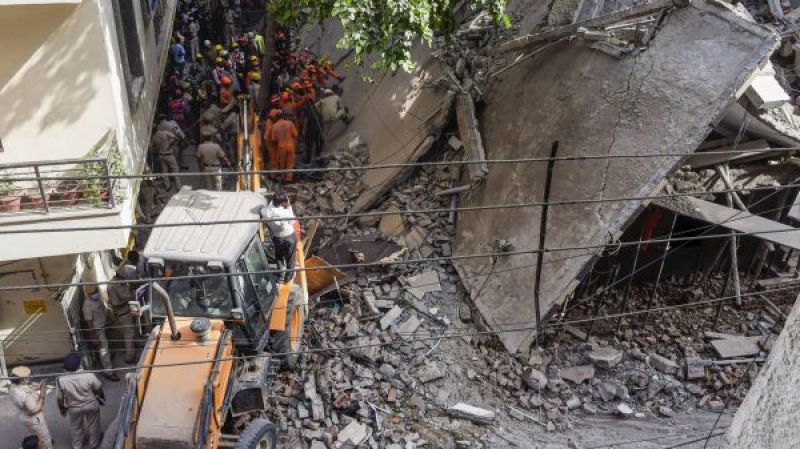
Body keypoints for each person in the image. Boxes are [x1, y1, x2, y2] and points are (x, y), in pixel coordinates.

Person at [57, 353, 104, 449]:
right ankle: (94, 444)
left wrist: (62, 409)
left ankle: (77, 446)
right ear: (79, 365)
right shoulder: (89, 375)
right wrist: (102, 397)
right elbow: (98, 388)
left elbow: (60, 398)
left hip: (74, 408)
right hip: (90, 404)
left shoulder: (60, 380)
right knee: (93, 425)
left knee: (76, 427)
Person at [10, 366, 52, 449]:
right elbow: (35, 410)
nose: (28, 377)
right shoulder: (23, 395)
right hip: (34, 418)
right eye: (26, 376)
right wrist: (42, 395)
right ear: (23, 379)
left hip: (24, 415)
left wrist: (37, 387)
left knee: (38, 434)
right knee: (45, 438)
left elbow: (25, 388)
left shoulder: (13, 387)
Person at [82, 292, 119, 381]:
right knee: (104, 352)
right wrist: (94, 337)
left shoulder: (97, 299)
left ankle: (107, 361)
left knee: (107, 349)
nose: (96, 293)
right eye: (94, 292)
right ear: (89, 293)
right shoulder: (87, 304)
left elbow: (103, 309)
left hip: (104, 326)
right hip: (98, 331)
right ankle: (108, 372)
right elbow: (89, 323)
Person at [260, 193, 297, 282]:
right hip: (289, 236)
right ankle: (288, 278)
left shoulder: (265, 212)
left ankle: (280, 275)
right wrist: (289, 206)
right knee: (290, 258)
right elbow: (292, 222)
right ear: (283, 202)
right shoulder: (285, 212)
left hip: (278, 237)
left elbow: (264, 210)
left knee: (279, 256)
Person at [107, 265, 138, 363]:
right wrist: (129, 298)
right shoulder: (113, 286)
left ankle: (132, 349)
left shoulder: (118, 281)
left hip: (125, 311)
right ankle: (129, 357)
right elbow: (116, 303)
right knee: (129, 334)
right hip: (122, 314)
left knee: (130, 333)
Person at [268, 110, 298, 182]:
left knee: (282, 164)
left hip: (281, 147)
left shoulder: (275, 126)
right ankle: (289, 179)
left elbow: (274, 139)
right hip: (291, 146)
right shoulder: (290, 123)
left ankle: (282, 178)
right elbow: (295, 135)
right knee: (290, 163)